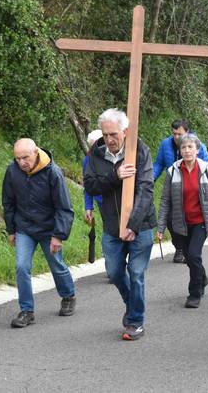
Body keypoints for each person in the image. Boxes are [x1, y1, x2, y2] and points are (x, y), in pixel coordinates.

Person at [84, 108, 157, 341]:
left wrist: (132, 225)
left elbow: (146, 191)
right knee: (114, 272)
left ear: (125, 131)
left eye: (113, 134)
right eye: (105, 135)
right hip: (112, 226)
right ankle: (131, 301)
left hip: (140, 225)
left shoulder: (140, 151)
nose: (109, 140)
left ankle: (136, 321)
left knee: (136, 272)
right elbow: (91, 186)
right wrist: (115, 176)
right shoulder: (96, 155)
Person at [2, 138, 76, 328]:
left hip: (48, 229)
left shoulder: (53, 173)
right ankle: (27, 311)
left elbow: (64, 207)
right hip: (24, 228)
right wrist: (11, 230)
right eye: (17, 158)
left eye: (25, 157)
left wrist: (58, 235)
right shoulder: (12, 171)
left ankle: (68, 295)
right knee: (21, 267)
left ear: (36, 152)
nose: (21, 163)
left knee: (56, 265)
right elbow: (8, 202)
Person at [157, 133, 208, 308]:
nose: (187, 150)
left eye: (191, 147)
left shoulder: (207, 170)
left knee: (193, 255)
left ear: (197, 150)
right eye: (183, 147)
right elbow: (165, 200)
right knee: (190, 258)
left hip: (200, 222)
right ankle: (202, 278)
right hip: (180, 223)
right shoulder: (172, 171)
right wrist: (161, 226)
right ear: (180, 151)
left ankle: (194, 293)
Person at [153, 119, 208, 263]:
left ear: (187, 132)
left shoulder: (198, 145)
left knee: (193, 253)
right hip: (175, 187)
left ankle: (190, 249)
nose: (176, 137)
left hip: (193, 190)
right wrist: (150, 180)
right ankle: (179, 247)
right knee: (171, 219)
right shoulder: (165, 144)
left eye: (179, 134)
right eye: (174, 134)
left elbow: (207, 167)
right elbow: (159, 164)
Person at [83, 130, 103, 225]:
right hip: (101, 201)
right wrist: (88, 207)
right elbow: (87, 185)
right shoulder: (87, 160)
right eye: (91, 147)